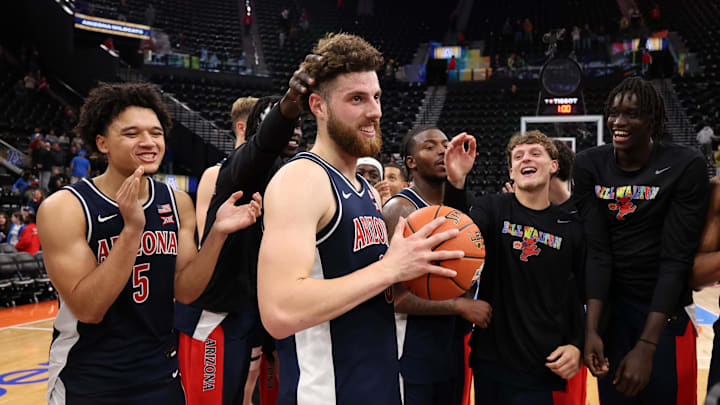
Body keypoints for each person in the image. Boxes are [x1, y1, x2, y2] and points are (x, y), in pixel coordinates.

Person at [257, 33, 463, 405]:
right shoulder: (301, 179)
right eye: (357, 99)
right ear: (318, 106)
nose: (375, 111)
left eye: (376, 97)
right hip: (326, 394)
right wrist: (390, 269)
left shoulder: (365, 189)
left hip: (376, 385)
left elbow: (366, 287)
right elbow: (279, 310)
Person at [39, 82, 262, 404]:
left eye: (156, 133)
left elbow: (186, 291)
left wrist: (217, 235)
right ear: (102, 143)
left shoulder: (177, 202)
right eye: (132, 134)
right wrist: (132, 230)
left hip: (160, 372)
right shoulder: (65, 208)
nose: (148, 142)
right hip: (88, 375)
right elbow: (89, 309)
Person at [173, 76, 307, 404]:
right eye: (284, 122)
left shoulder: (293, 176)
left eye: (300, 124)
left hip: (258, 305)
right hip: (217, 308)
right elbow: (207, 234)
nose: (294, 131)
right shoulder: (233, 169)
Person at [574, 76, 708, 403]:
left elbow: (676, 259)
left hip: (663, 312)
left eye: (631, 114)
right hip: (612, 313)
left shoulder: (685, 164)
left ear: (653, 120)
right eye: (614, 113)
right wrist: (591, 329)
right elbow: (598, 253)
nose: (619, 122)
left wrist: (648, 346)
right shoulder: (588, 164)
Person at [443, 130, 585, 405]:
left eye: (534, 153)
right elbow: (460, 238)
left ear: (553, 166)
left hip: (543, 364)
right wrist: (456, 183)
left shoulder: (570, 226)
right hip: (493, 362)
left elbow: (579, 293)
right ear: (511, 171)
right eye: (518, 156)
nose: (525, 159)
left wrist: (578, 344)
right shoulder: (491, 209)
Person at [382, 126, 492, 405]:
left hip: (451, 342)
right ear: (411, 161)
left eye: (445, 144)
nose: (442, 150)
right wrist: (459, 305)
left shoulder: (459, 206)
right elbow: (396, 298)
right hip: (412, 346)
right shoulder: (400, 210)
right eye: (430, 146)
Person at [195, 96, 258, 240]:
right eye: (262, 124)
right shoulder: (213, 175)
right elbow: (203, 237)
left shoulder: (274, 172)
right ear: (242, 128)